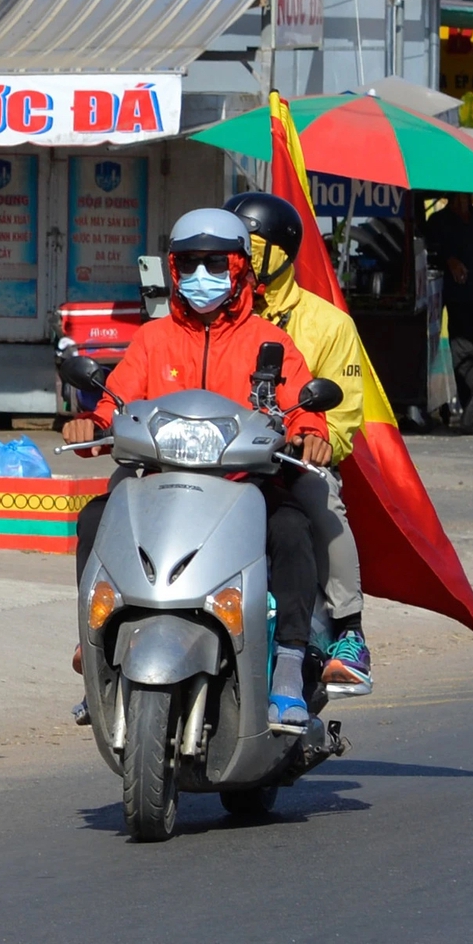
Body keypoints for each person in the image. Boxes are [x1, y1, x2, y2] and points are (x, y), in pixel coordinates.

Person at [64, 209, 332, 730]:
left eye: (214, 262)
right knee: (97, 519)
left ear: (240, 269)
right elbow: (115, 399)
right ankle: (97, 652)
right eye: (188, 263)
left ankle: (291, 667)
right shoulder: (153, 339)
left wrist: (311, 435)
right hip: (163, 485)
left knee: (292, 530)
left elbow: (302, 405)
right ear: (172, 268)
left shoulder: (267, 341)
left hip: (244, 486)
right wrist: (87, 425)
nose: (200, 275)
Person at [223, 191, 372, 695]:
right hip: (217, 460)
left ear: (280, 252)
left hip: (290, 460)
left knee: (320, 495)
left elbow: (347, 413)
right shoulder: (216, 313)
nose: (237, 255)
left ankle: (349, 632)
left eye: (249, 245)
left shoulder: (329, 324)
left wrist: (318, 439)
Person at [423, 196, 473, 429]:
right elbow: (431, 249)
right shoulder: (438, 221)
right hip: (457, 298)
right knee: (462, 355)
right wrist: (450, 260)